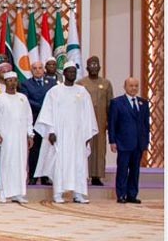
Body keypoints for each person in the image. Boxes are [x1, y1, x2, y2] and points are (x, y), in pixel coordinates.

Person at [34, 65, 98, 204]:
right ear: (64, 73)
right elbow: (48, 112)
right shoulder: (55, 91)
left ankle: (79, 194)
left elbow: (88, 115)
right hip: (60, 134)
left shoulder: (82, 91)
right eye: (69, 71)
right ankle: (58, 193)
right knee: (60, 163)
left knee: (79, 163)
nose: (72, 74)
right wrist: (51, 131)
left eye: (74, 72)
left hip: (78, 135)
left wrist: (87, 135)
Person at [0, 72, 34, 204]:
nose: (13, 83)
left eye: (15, 80)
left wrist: (30, 134)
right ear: (5, 82)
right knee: (6, 164)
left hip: (21, 139)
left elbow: (29, 118)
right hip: (6, 138)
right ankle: (3, 193)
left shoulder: (23, 98)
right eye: (10, 80)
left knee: (20, 165)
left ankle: (18, 193)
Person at [108, 78, 150, 204]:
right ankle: (121, 194)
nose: (134, 88)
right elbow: (112, 123)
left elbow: (146, 125)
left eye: (136, 86)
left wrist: (146, 142)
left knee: (135, 170)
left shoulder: (143, 103)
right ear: (125, 87)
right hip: (123, 142)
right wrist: (112, 141)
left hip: (138, 144)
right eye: (131, 85)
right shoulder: (117, 102)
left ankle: (132, 195)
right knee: (122, 169)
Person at [21, 60, 58, 185]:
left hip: (49, 121)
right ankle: (33, 176)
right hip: (35, 119)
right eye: (35, 68)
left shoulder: (52, 83)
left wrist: (48, 109)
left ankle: (45, 176)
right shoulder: (26, 84)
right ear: (31, 71)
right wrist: (44, 108)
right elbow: (26, 100)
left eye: (40, 68)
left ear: (44, 70)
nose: (38, 70)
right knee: (35, 149)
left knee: (47, 148)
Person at [77, 56, 113, 186]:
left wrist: (110, 122)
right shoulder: (81, 83)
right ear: (86, 68)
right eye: (91, 65)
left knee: (100, 149)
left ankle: (97, 176)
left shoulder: (106, 83)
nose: (93, 67)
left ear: (99, 67)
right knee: (86, 147)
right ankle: (83, 174)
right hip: (85, 121)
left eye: (95, 64)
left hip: (101, 121)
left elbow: (110, 105)